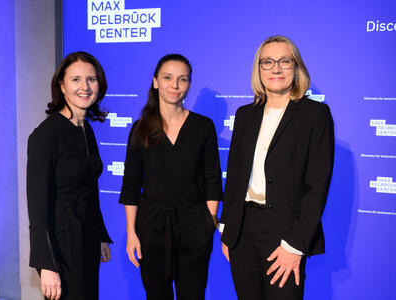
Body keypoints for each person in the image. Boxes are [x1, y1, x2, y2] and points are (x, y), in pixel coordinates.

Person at [220, 35, 334, 300]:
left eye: (285, 61)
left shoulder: (315, 115)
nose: (276, 68)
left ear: (296, 68)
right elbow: (235, 175)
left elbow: (317, 185)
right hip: (243, 230)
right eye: (267, 62)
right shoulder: (245, 115)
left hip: (286, 232)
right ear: (258, 69)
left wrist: (295, 246)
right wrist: (227, 228)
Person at [119, 54, 222, 300]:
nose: (175, 85)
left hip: (194, 226)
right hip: (152, 228)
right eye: (167, 78)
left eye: (182, 79)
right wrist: (131, 233)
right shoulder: (140, 128)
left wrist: (209, 224)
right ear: (155, 82)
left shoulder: (203, 126)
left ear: (189, 84)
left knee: (193, 295)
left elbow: (212, 180)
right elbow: (131, 185)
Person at [26, 51, 112, 300]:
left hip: (86, 237)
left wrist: (100, 235)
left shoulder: (86, 129)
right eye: (75, 80)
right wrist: (46, 265)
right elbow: (37, 207)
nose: (84, 87)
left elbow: (89, 188)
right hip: (60, 245)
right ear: (62, 86)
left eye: (91, 80)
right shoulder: (46, 135)